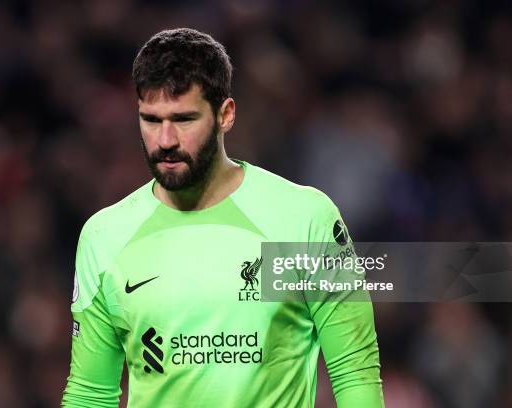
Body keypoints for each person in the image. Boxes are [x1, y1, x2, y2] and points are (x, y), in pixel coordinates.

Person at [61, 28, 384, 407]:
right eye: (151, 120)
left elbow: (354, 372)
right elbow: (90, 393)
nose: (165, 140)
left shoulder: (303, 218)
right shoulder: (105, 235)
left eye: (183, 119)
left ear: (225, 115)